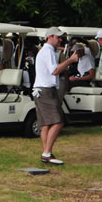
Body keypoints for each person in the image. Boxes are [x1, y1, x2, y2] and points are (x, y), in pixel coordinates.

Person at [33, 27, 79, 165]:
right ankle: (46, 153)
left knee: (45, 124)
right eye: (58, 37)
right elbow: (55, 71)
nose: (60, 40)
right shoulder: (48, 51)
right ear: (50, 37)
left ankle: (46, 153)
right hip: (46, 90)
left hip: (39, 89)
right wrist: (70, 60)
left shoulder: (45, 50)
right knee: (58, 121)